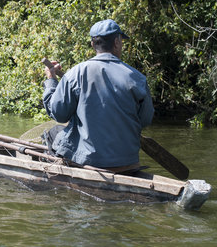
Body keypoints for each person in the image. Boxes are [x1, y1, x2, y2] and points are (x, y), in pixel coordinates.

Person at [42, 19, 154, 172]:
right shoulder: (138, 78)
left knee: (54, 132)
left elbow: (58, 113)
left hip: (90, 162)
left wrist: (51, 81)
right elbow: (145, 120)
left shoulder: (75, 74)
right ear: (116, 42)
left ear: (93, 45)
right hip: (128, 163)